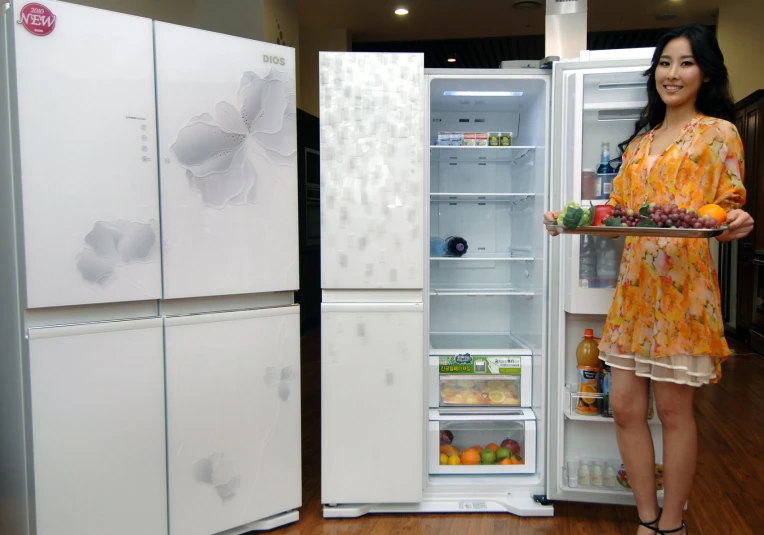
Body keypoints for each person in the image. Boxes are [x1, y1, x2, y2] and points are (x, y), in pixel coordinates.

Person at [545, 24, 754, 535]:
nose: (672, 73)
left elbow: (728, 210)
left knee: (675, 411)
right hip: (636, 287)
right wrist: (574, 220)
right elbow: (620, 218)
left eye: (685, 63)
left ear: (705, 72)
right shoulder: (638, 145)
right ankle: (646, 517)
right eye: (664, 63)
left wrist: (736, 224)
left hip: (685, 289)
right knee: (622, 408)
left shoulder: (719, 133)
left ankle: (672, 524)